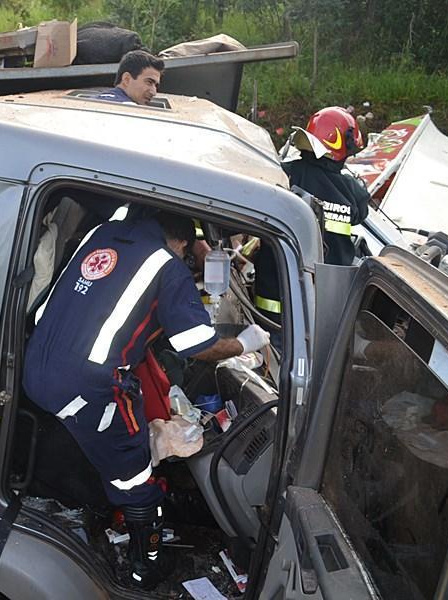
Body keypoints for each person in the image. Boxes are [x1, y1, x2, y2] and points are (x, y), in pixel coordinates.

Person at [23, 210, 270, 589]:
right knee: (134, 470)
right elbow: (194, 344)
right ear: (183, 242)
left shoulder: (102, 232)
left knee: (97, 445)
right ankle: (145, 567)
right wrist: (244, 343)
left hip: (36, 364)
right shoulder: (166, 265)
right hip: (85, 385)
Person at [254, 106, 371, 330]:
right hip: (323, 312)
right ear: (343, 146)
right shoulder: (351, 191)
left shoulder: (282, 174)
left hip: (271, 314)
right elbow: (361, 212)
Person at [97, 50, 165, 106]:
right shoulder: (130, 109)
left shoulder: (93, 101)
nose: (153, 92)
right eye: (149, 82)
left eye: (156, 86)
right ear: (127, 79)